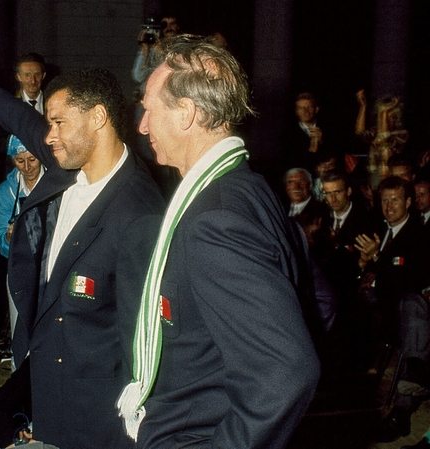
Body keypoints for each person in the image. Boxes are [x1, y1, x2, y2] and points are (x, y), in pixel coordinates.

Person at [0, 25, 165, 449]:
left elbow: (141, 340)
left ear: (97, 117)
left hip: (96, 414)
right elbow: (16, 114)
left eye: (58, 122)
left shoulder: (138, 212)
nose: (47, 134)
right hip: (42, 380)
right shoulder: (67, 162)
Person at [117, 34, 319, 448]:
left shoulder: (214, 219)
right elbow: (322, 306)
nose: (141, 125)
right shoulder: (251, 188)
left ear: (186, 113)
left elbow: (286, 371)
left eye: (149, 110)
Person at [354, 176, 430, 442]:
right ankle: (414, 368)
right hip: (372, 313)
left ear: (409, 202)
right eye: (384, 200)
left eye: (395, 199)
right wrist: (363, 266)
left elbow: (409, 281)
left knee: (413, 303)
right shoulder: (373, 226)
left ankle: (402, 411)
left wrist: (377, 259)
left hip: (399, 317)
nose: (388, 206)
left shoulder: (420, 235)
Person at [0, 135, 45, 260]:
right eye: (20, 161)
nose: (27, 167)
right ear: (12, 160)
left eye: (32, 159)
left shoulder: (56, 184)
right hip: (23, 262)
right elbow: (3, 247)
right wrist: (8, 238)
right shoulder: (6, 191)